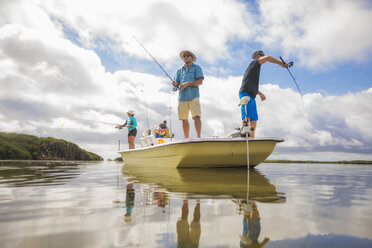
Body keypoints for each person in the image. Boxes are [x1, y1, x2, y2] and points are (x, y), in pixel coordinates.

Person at [239, 50, 288, 138]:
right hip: (245, 93)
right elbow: (268, 58)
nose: (262, 56)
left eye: (263, 55)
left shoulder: (255, 70)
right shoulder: (254, 63)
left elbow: (251, 84)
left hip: (252, 95)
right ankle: (243, 136)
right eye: (261, 55)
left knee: (254, 118)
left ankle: (251, 138)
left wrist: (260, 93)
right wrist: (281, 63)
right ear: (256, 56)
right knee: (248, 115)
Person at [172, 50, 204, 139]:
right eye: (184, 56)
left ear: (192, 57)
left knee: (196, 116)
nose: (185, 57)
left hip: (194, 96)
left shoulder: (197, 68)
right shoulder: (179, 71)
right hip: (182, 97)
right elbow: (176, 83)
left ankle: (199, 137)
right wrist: (175, 84)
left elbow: (200, 82)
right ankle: (186, 139)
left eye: (187, 55)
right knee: (184, 119)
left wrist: (188, 83)